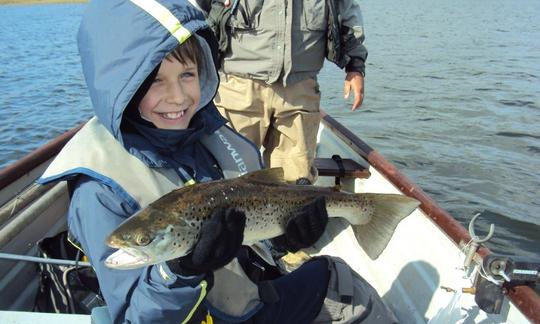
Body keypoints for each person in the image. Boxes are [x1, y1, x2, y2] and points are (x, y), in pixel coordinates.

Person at [35, 1, 392, 323]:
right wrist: (180, 272)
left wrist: (285, 240)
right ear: (120, 86)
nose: (177, 96)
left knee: (331, 271)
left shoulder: (209, 140)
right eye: (154, 80)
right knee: (342, 285)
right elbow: (135, 318)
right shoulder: (98, 193)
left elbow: (247, 245)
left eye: (187, 75)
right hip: (206, 314)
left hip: (241, 300)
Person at [197, 0, 368, 183]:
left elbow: (347, 16)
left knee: (295, 180)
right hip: (239, 89)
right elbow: (202, 11)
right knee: (230, 176)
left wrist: (355, 67)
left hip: (299, 94)